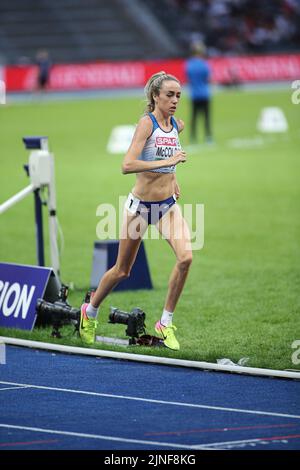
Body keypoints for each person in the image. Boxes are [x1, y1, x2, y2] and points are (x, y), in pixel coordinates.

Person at [79, 71, 193, 351]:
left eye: (178, 95)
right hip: (140, 208)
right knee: (122, 271)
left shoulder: (175, 125)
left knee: (186, 258)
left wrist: (173, 178)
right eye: (169, 94)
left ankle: (165, 323)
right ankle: (89, 312)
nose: (175, 99)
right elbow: (127, 165)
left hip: (167, 206)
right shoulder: (147, 123)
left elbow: (169, 158)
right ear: (155, 96)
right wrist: (169, 163)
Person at [185, 42, 213, 144]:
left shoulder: (189, 64)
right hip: (205, 94)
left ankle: (193, 137)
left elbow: (188, 79)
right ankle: (208, 137)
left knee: (194, 117)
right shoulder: (204, 64)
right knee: (206, 117)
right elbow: (208, 79)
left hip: (194, 94)